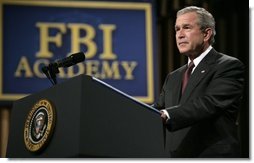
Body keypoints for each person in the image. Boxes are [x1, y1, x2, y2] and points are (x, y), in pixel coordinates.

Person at [153, 6, 245, 158]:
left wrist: (167, 114)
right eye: (177, 29)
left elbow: (209, 103)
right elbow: (157, 110)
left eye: (187, 27)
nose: (179, 35)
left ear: (206, 33)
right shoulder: (173, 77)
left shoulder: (228, 66)